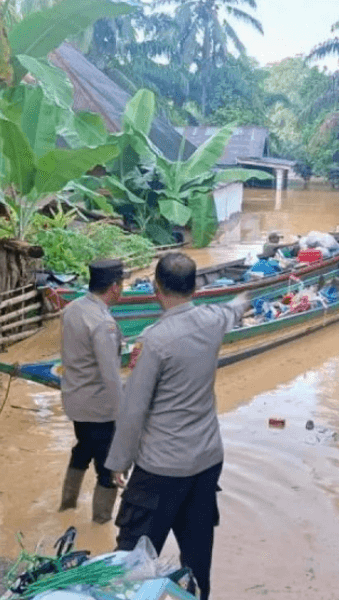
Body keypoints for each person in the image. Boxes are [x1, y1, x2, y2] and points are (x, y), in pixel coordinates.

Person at [105, 253, 248, 600]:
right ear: (195, 286)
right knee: (197, 555)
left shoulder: (155, 340)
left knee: (131, 558)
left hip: (161, 467)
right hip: (207, 460)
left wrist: (118, 462)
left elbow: (133, 408)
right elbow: (235, 308)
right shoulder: (214, 320)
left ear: (157, 288)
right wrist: (243, 299)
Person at [59, 259, 125, 523]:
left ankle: (66, 506)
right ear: (114, 288)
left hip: (75, 401)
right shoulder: (102, 324)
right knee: (108, 469)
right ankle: (100, 523)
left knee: (83, 448)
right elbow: (111, 376)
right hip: (99, 408)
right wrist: (125, 417)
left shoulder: (71, 309)